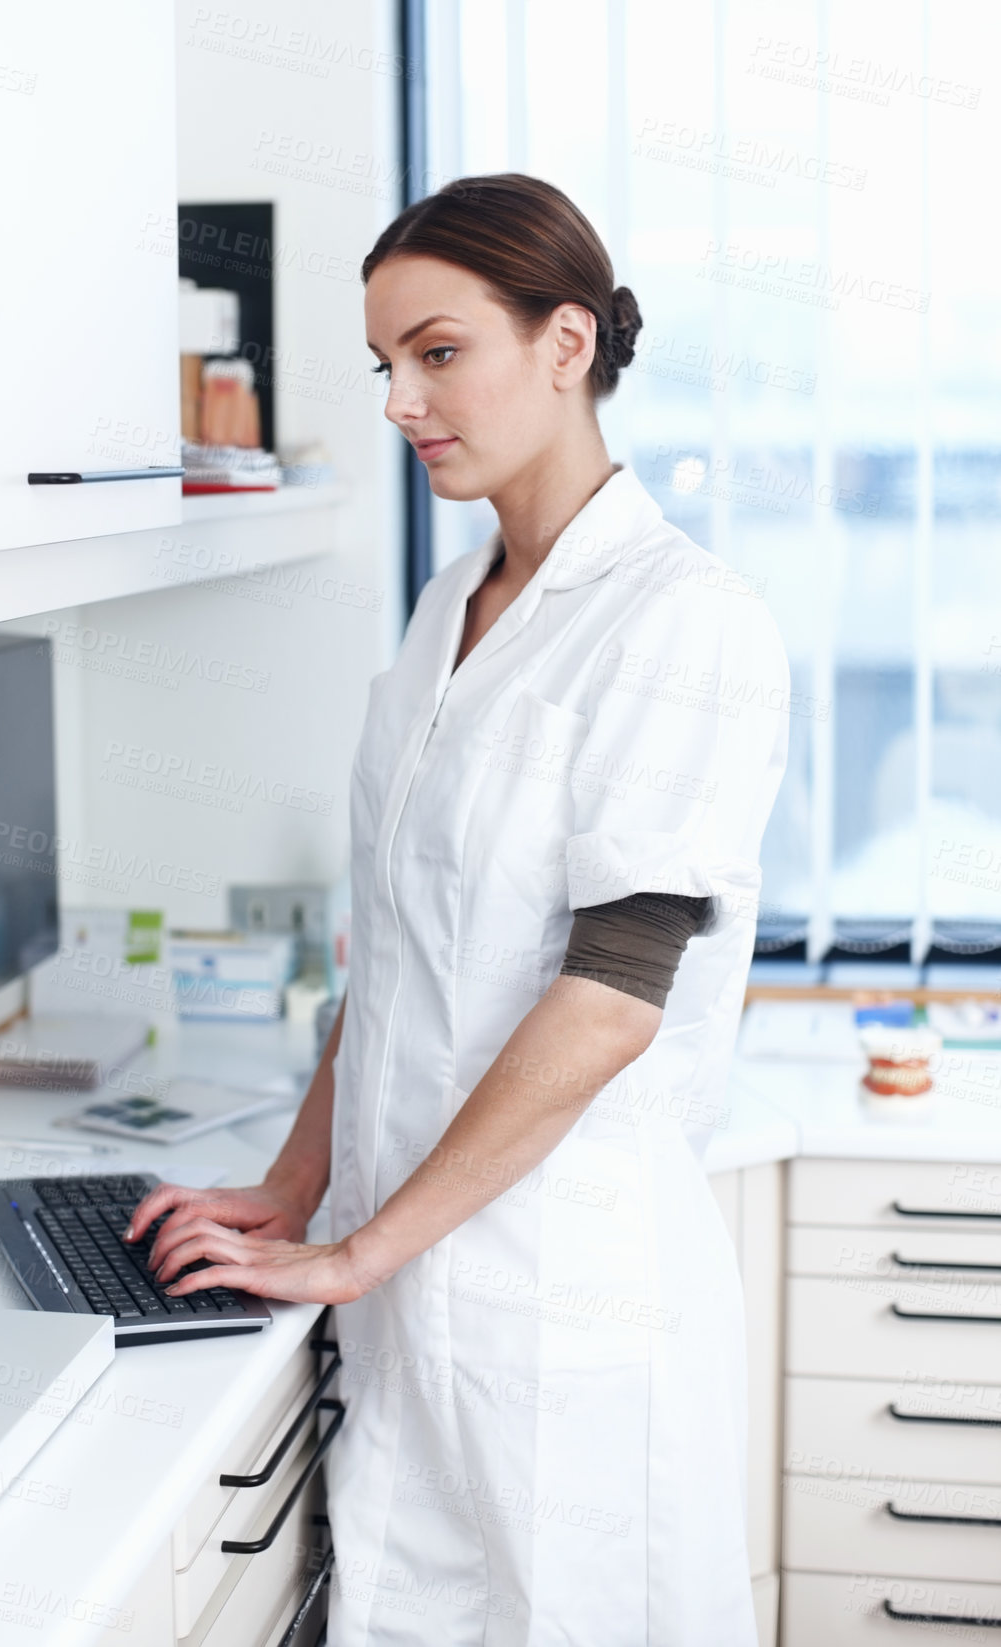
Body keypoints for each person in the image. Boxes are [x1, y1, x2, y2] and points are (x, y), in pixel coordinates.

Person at [125, 173, 790, 1646]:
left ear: (564, 345)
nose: (399, 402)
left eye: (437, 354)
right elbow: (400, 959)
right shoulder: (448, 608)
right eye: (384, 367)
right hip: (411, 1285)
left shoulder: (684, 623)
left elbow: (610, 995)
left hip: (565, 1301)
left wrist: (359, 1245)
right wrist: (300, 1188)